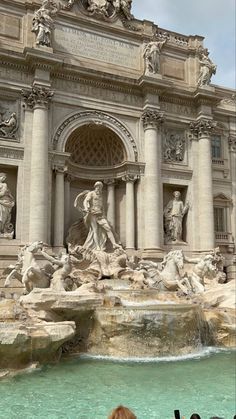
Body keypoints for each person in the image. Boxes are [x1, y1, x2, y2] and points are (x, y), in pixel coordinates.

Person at [74, 181, 120, 251]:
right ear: (95, 187)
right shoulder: (91, 193)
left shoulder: (100, 196)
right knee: (94, 230)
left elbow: (102, 207)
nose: (99, 188)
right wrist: (86, 208)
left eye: (100, 187)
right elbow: (86, 201)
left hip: (100, 215)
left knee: (108, 228)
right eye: (98, 186)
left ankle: (114, 244)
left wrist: (104, 215)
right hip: (92, 214)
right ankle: (97, 246)